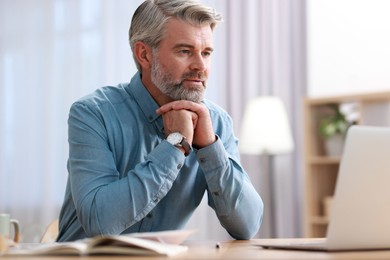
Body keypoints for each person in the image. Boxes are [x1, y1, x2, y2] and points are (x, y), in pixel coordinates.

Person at [57, 0, 263, 242]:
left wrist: (209, 146)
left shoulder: (215, 122)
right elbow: (100, 223)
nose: (200, 66)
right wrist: (175, 144)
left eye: (206, 53)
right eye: (185, 51)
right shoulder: (93, 113)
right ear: (144, 54)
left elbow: (247, 226)